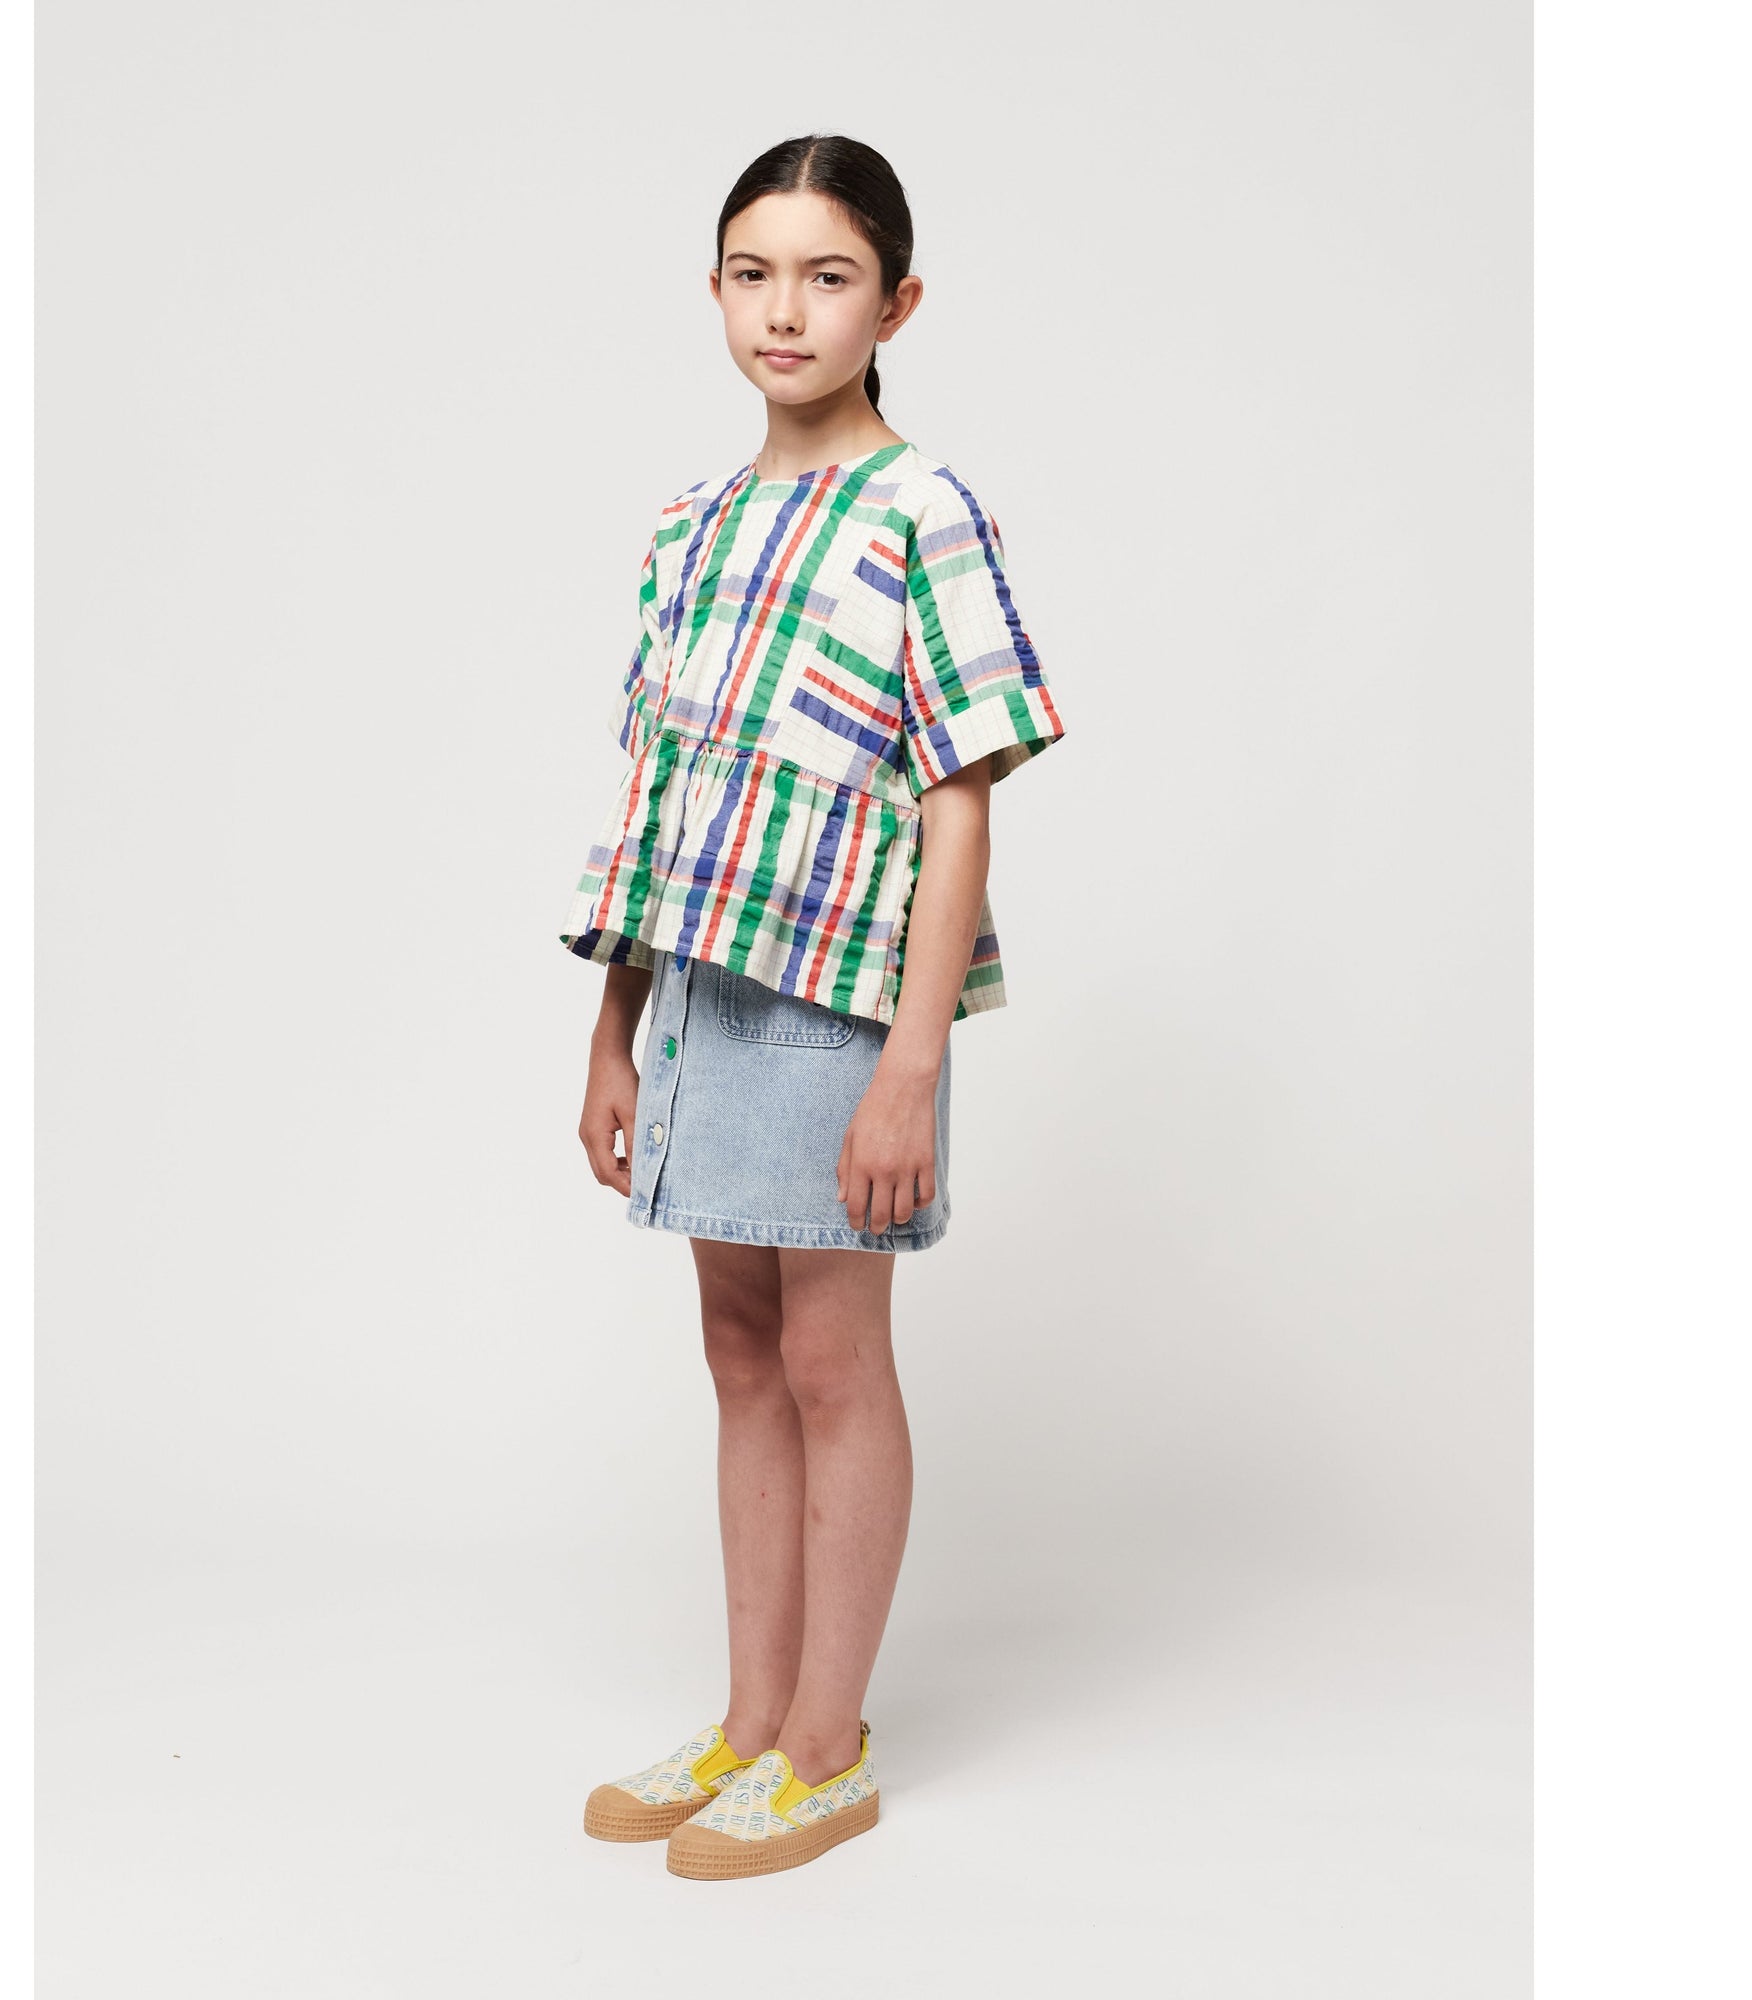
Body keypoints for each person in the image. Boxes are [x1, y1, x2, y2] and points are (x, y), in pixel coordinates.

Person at [557, 132, 1068, 1881]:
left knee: (836, 1357)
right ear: (714, 290)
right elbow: (657, 791)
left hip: (839, 1002)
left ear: (895, 304)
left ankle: (827, 1751)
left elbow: (959, 798)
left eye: (828, 276)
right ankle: (750, 1720)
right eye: (754, 273)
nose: (787, 310)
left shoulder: (924, 512)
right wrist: (614, 1026)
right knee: (736, 1352)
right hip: (698, 986)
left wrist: (912, 1064)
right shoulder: (687, 531)